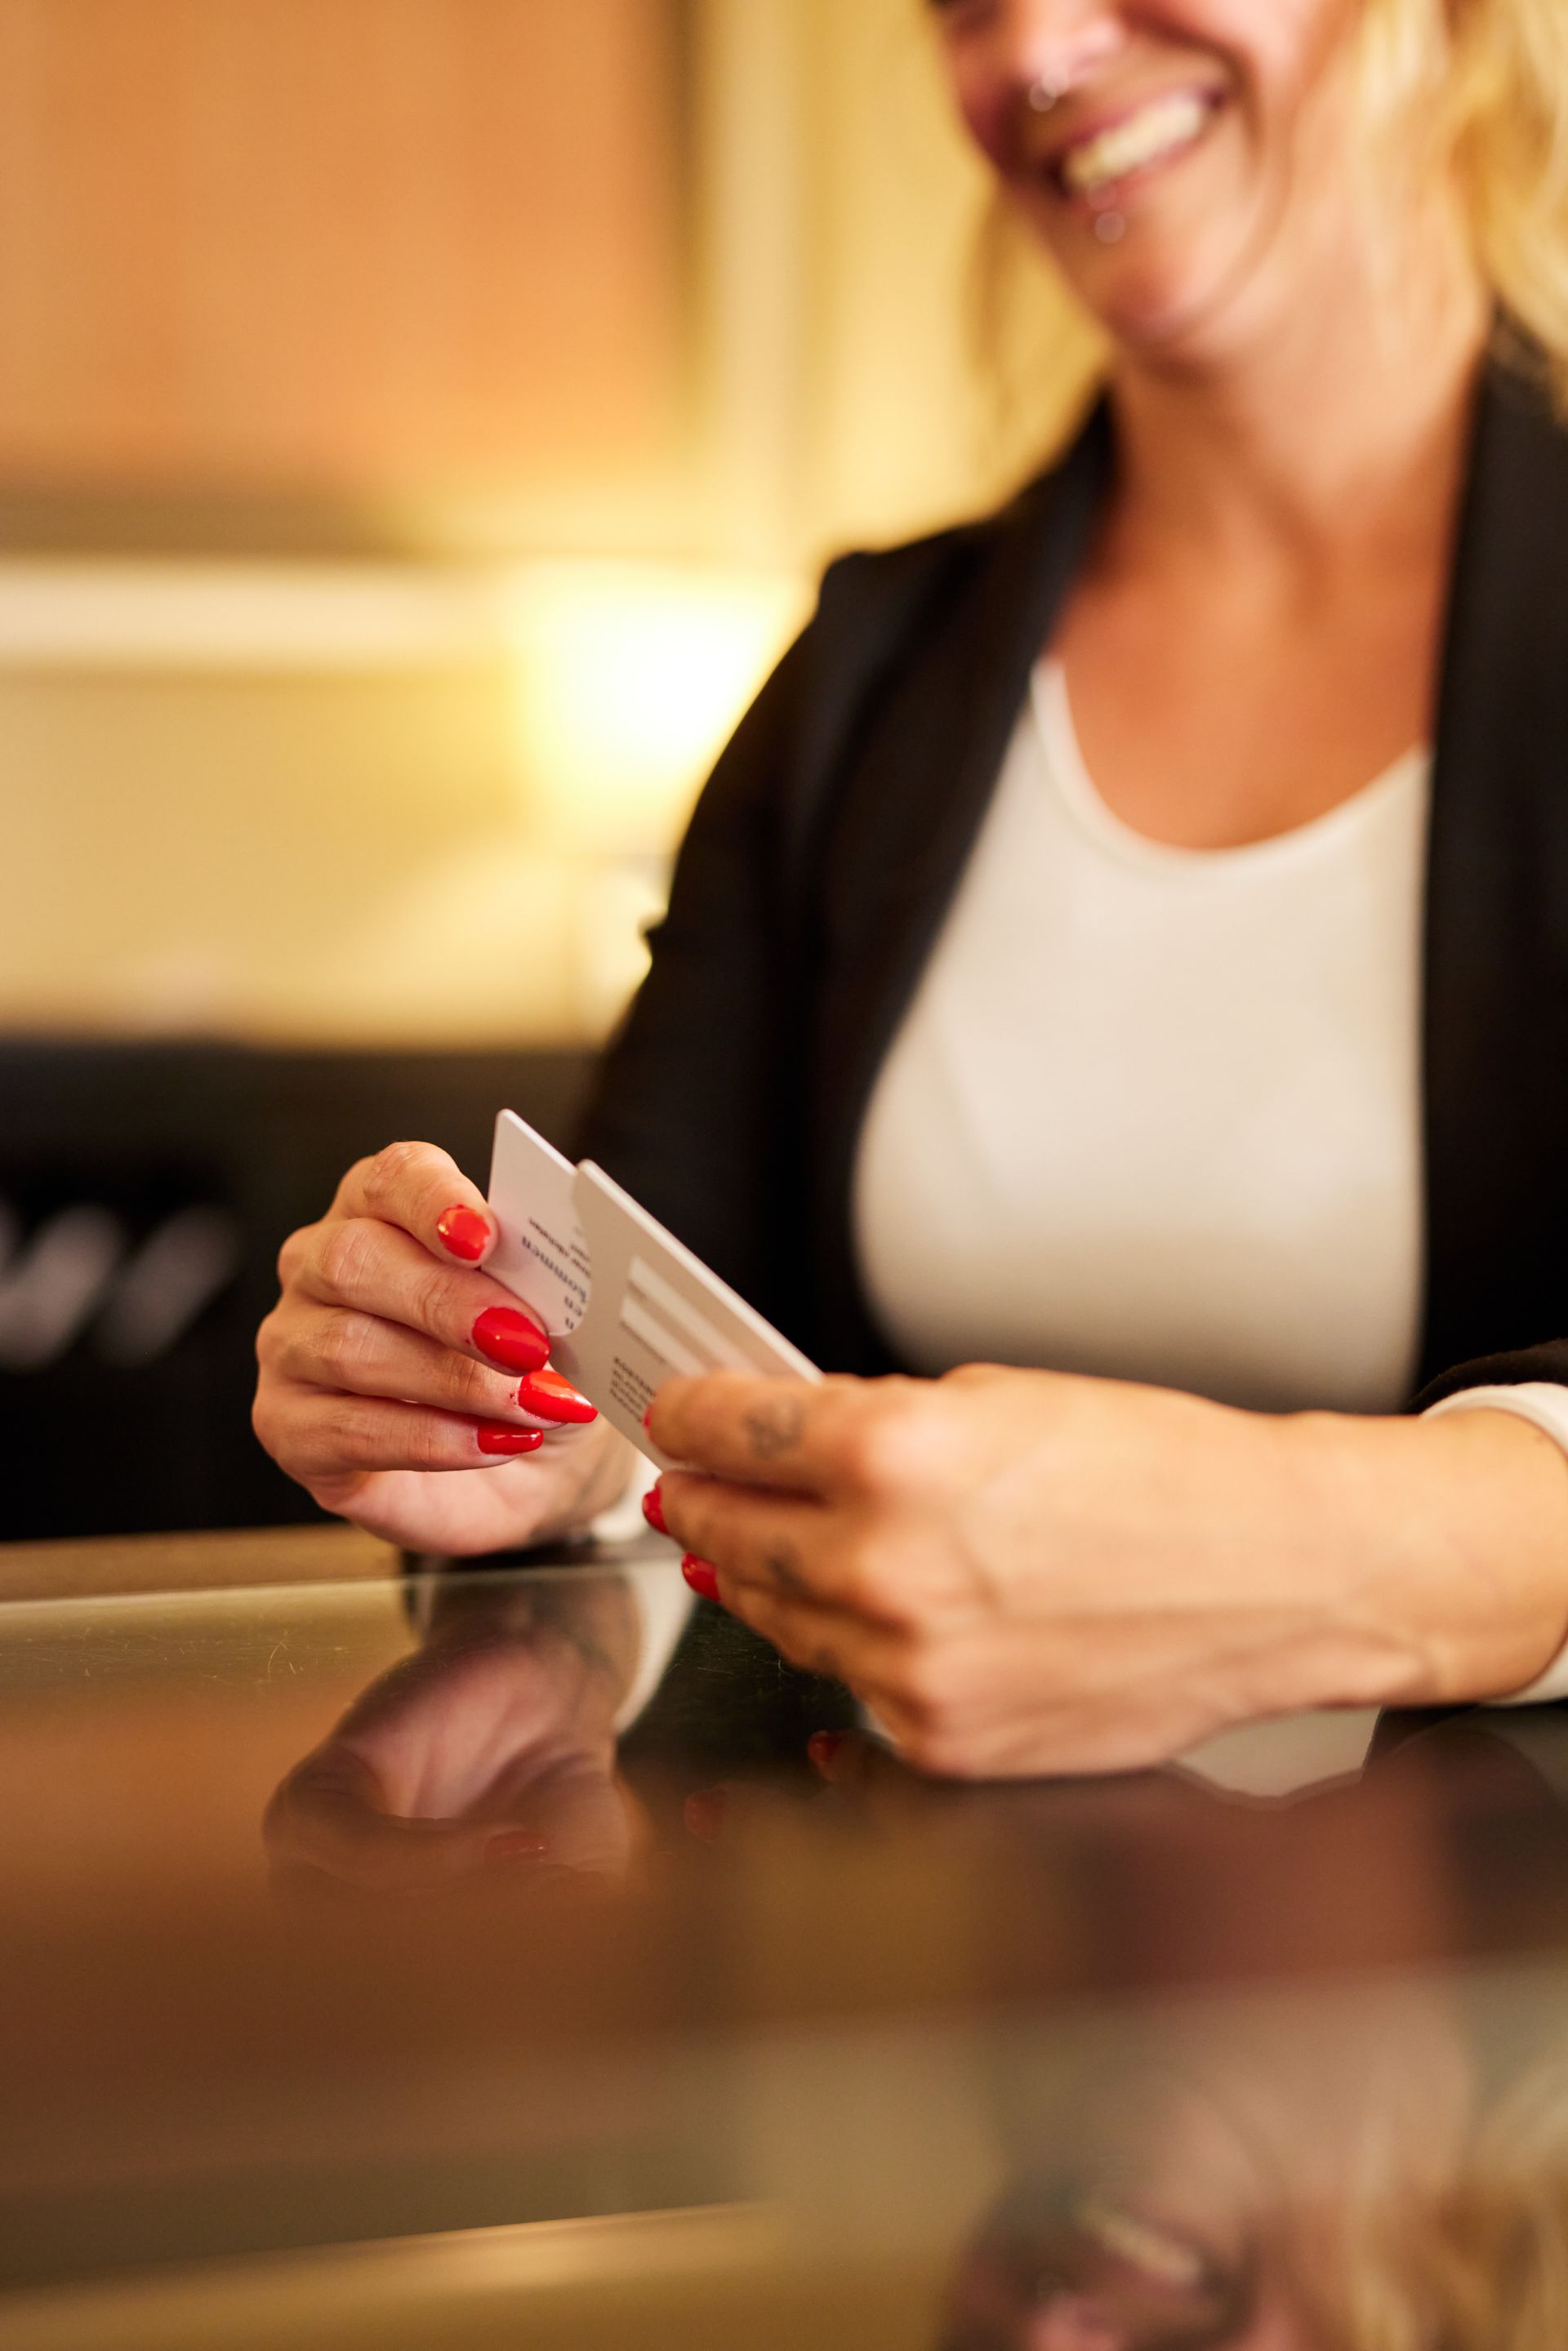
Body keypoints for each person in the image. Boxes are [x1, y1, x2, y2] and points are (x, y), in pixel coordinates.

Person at [255, 0, 1568, 1778]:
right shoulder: (867, 676)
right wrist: (510, 1422)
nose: (1033, 47)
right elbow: (645, 1341)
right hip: (923, 1923)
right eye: (963, 3)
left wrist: (1327, 1551)